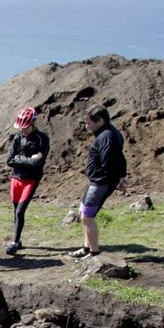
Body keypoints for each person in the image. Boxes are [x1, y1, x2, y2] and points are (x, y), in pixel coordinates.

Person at [70, 104, 127, 259]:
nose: (87, 127)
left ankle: (94, 253)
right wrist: (121, 176)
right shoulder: (108, 133)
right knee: (83, 212)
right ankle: (86, 248)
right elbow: (120, 158)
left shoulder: (106, 136)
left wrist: (115, 180)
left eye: (89, 123)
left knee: (87, 217)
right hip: (97, 182)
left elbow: (108, 162)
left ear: (100, 120)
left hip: (100, 183)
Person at [4, 107, 50, 256]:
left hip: (30, 180)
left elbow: (38, 163)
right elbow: (10, 160)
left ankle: (15, 242)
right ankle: (18, 238)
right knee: (15, 211)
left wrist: (20, 159)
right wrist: (29, 159)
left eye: (25, 128)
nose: (22, 131)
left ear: (33, 124)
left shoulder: (43, 139)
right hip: (15, 178)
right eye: (21, 128)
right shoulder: (17, 138)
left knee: (20, 211)